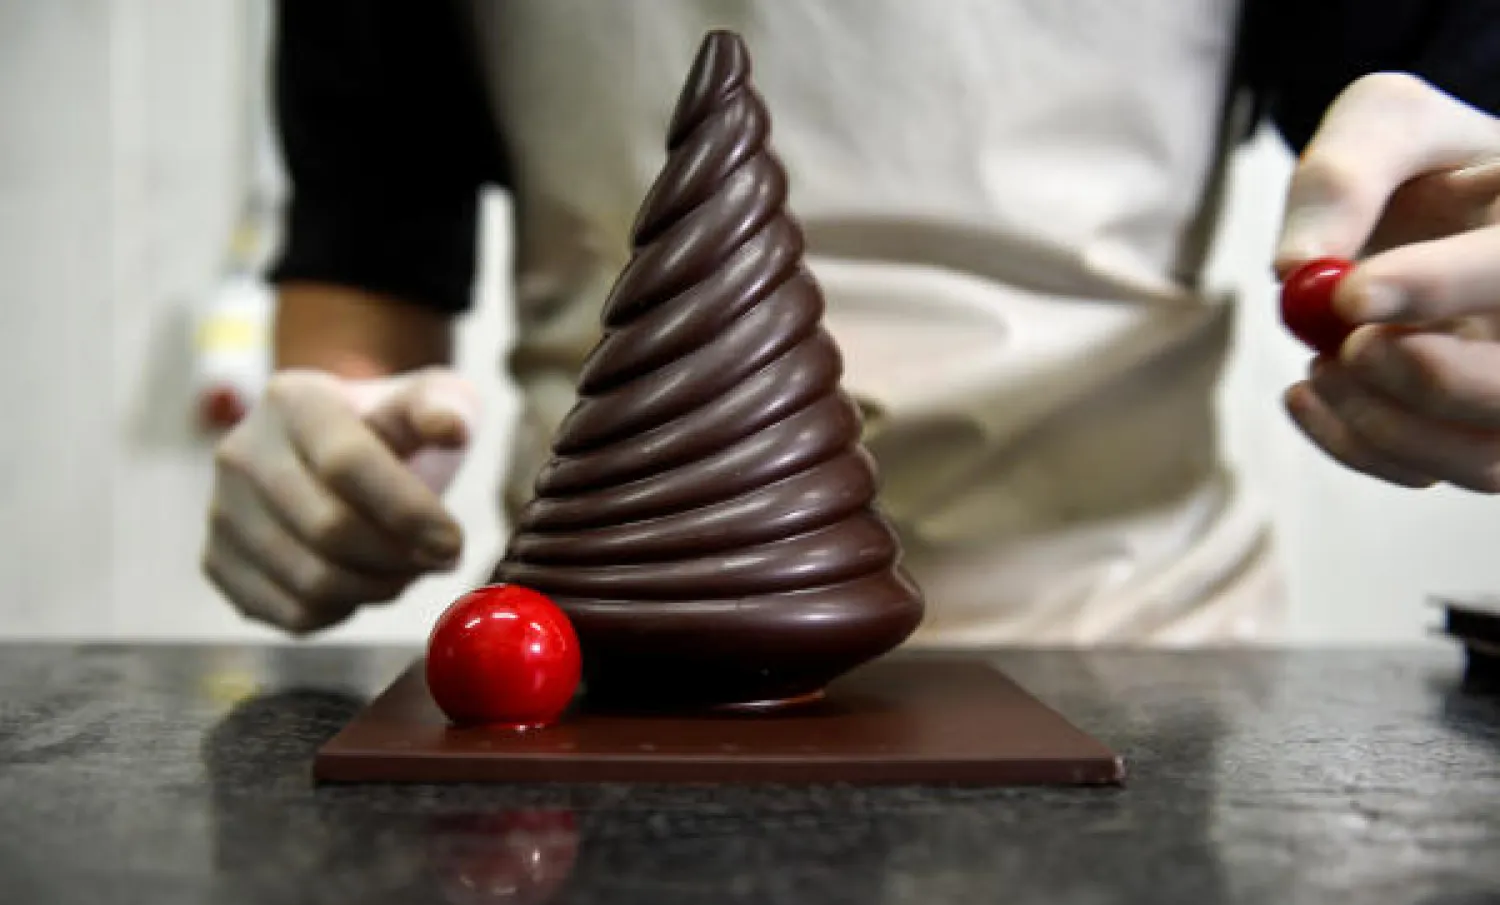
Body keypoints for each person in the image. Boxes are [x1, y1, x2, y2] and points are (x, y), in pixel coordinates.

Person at [202, 0, 1500, 644]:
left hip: (1132, 658)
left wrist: (1461, 303)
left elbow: (1441, 173)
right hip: (607, 666)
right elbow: (362, 284)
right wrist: (345, 440)